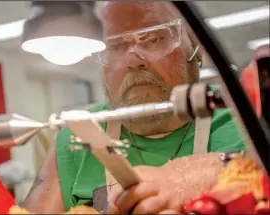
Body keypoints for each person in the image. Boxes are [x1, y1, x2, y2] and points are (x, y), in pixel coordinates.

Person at [23, 1, 246, 214]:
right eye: (115, 46)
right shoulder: (78, 133)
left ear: (196, 49)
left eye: (154, 39)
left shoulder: (245, 115)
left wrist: (219, 167)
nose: (133, 59)